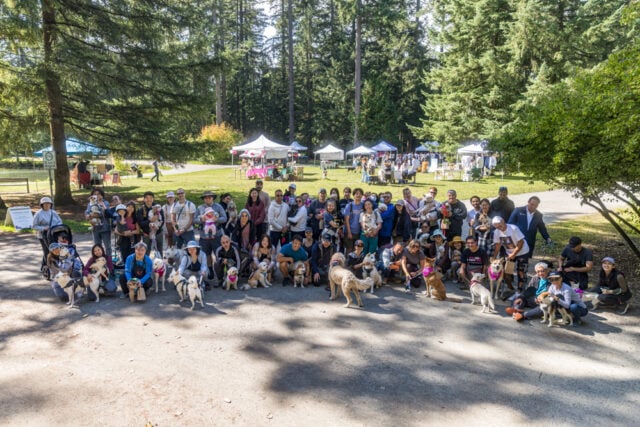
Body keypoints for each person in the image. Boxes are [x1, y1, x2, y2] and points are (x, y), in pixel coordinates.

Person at [508, 196, 552, 260]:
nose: (533, 207)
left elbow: (542, 228)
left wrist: (547, 238)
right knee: (511, 262)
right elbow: (510, 224)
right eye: (532, 204)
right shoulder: (518, 210)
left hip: (529, 243)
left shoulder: (538, 215)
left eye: (535, 206)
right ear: (528, 202)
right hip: (516, 241)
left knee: (524, 264)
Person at [492, 216, 529, 290]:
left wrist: (514, 254)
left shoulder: (513, 228)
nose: (499, 228)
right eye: (497, 227)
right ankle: (511, 289)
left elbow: (521, 242)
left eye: (500, 225)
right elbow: (498, 245)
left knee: (521, 272)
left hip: (522, 252)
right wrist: (494, 257)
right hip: (509, 253)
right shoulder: (496, 232)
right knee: (506, 272)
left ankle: (520, 290)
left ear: (503, 222)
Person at [195, 190, 227, 279]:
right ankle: (210, 271)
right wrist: (201, 220)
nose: (208, 199)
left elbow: (224, 218)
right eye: (206, 198)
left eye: (209, 197)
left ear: (213, 198)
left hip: (216, 235)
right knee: (206, 255)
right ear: (204, 199)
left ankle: (220, 272)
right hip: (203, 236)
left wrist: (216, 219)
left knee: (218, 254)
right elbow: (194, 220)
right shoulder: (200, 208)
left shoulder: (218, 207)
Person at [84, 188, 112, 258]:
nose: (96, 195)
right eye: (95, 194)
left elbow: (103, 214)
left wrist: (100, 205)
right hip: (95, 228)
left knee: (107, 246)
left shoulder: (105, 203)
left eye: (98, 194)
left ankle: (109, 263)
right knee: (97, 246)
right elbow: (87, 213)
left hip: (105, 228)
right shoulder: (90, 203)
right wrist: (88, 216)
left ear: (102, 195)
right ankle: (99, 261)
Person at [343, 188, 364, 252]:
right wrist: (349, 232)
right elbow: (346, 220)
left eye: (360, 194)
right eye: (356, 194)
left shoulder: (363, 205)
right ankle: (348, 261)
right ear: (353, 195)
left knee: (357, 249)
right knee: (349, 249)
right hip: (350, 231)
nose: (358, 195)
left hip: (359, 232)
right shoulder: (349, 205)